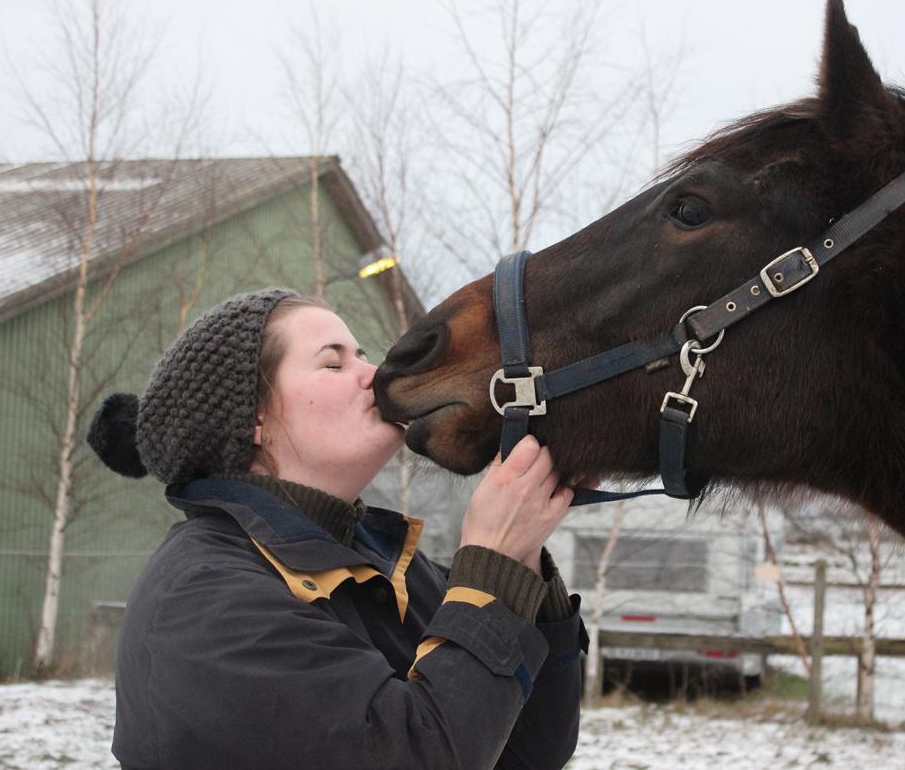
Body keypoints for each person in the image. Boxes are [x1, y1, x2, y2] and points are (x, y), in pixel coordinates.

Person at [86, 289, 587, 770]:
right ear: (252, 418)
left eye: (363, 355)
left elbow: (527, 755)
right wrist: (492, 566)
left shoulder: (394, 571)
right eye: (334, 363)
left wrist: (521, 564)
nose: (375, 375)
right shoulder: (205, 599)